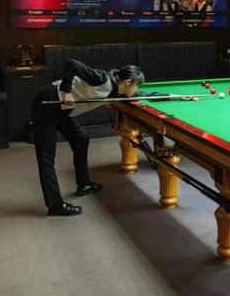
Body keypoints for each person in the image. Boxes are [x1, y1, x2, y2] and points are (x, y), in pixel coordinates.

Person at [31, 60, 164, 216]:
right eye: (136, 86)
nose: (137, 89)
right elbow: (71, 64)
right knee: (46, 156)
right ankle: (55, 205)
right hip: (47, 105)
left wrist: (172, 96)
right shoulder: (101, 79)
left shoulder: (117, 91)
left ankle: (84, 185)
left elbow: (143, 95)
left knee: (81, 140)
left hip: (62, 111)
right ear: (128, 82)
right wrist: (67, 91)